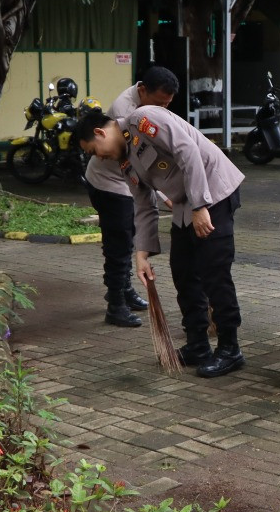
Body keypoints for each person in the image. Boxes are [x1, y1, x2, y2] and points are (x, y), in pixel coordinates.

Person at [75, 101, 248, 378]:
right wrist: (141, 254)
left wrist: (201, 205)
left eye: (94, 151)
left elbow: (188, 151)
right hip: (185, 205)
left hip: (213, 192)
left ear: (100, 132)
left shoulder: (143, 120)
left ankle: (230, 349)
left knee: (214, 271)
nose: (100, 158)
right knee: (183, 271)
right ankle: (197, 345)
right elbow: (143, 204)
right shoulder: (125, 160)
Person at [83, 67, 179, 328]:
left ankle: (122, 290)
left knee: (125, 240)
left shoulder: (147, 106)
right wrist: (164, 193)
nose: (162, 108)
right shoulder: (125, 111)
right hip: (110, 185)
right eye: (159, 103)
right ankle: (115, 305)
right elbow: (139, 159)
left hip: (127, 184)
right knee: (119, 246)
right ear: (142, 90)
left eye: (167, 104)